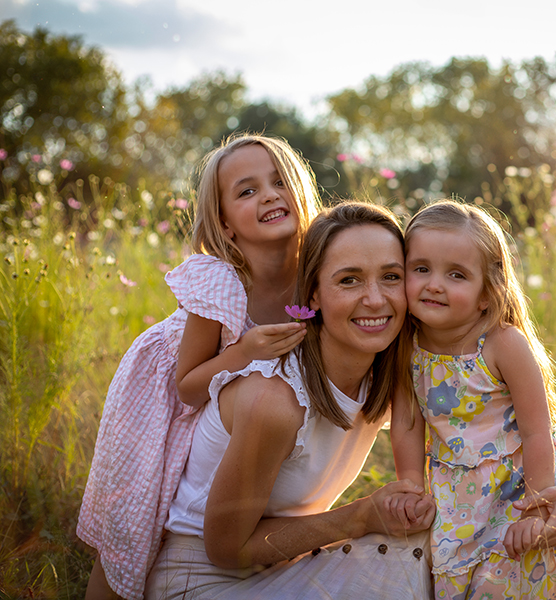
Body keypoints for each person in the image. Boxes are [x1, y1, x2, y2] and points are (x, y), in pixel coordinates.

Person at [144, 201, 436, 599]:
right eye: (349, 280)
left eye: (390, 276)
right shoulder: (274, 400)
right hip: (201, 580)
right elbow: (227, 549)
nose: (374, 299)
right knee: (403, 564)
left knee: (432, 547)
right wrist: (360, 517)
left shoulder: (389, 375)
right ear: (313, 294)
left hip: (285, 564)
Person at [79, 133, 320, 600]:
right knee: (143, 517)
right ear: (226, 225)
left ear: (302, 192)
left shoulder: (316, 273)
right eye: (247, 191)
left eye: (279, 181)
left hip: (229, 406)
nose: (269, 194)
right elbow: (187, 387)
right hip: (164, 398)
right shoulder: (221, 284)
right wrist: (244, 352)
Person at [390, 199, 556, 599]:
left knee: (507, 581)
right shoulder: (407, 345)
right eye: (421, 269)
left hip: (516, 489)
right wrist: (410, 486)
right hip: (454, 497)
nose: (434, 284)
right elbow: (405, 423)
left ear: (486, 294)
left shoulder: (503, 344)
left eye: (456, 275)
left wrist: (538, 505)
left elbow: (539, 432)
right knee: (458, 581)